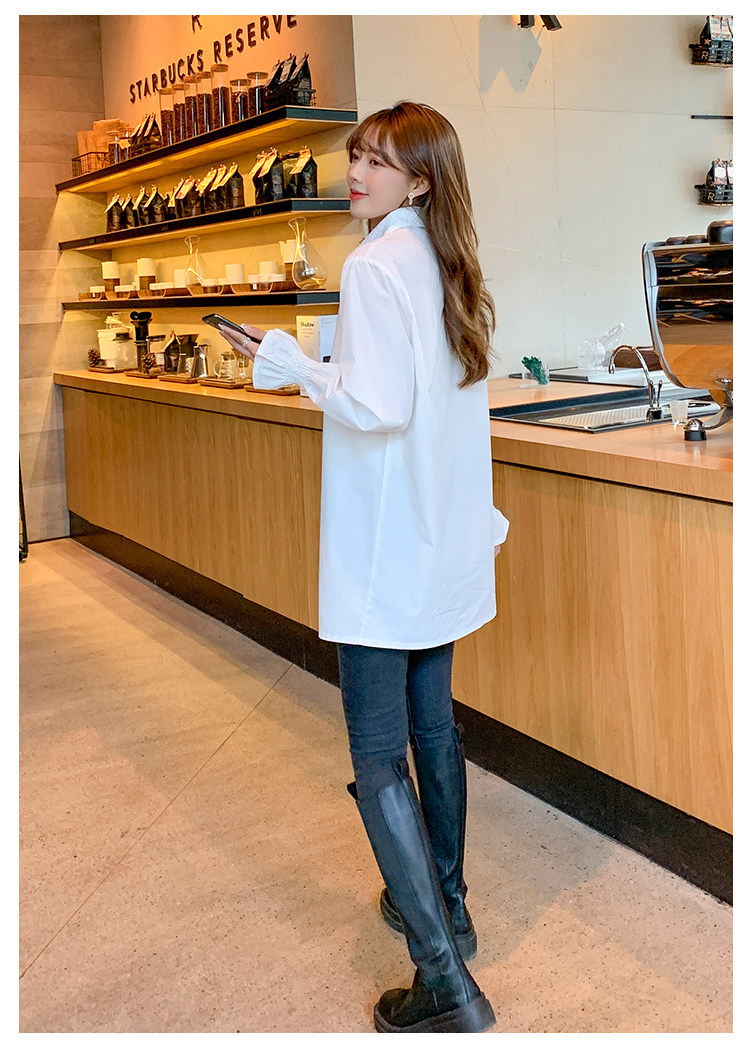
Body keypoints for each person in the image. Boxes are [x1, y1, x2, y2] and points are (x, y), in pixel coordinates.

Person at [219, 100, 509, 1034]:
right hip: (438, 541)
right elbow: (429, 398)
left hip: (385, 552)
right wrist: (318, 358)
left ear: (418, 180)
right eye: (356, 155)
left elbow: (377, 403)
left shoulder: (374, 265)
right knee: (434, 726)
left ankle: (443, 980)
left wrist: (288, 360)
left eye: (378, 162)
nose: (356, 173)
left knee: (377, 748)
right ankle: (450, 907)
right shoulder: (448, 264)